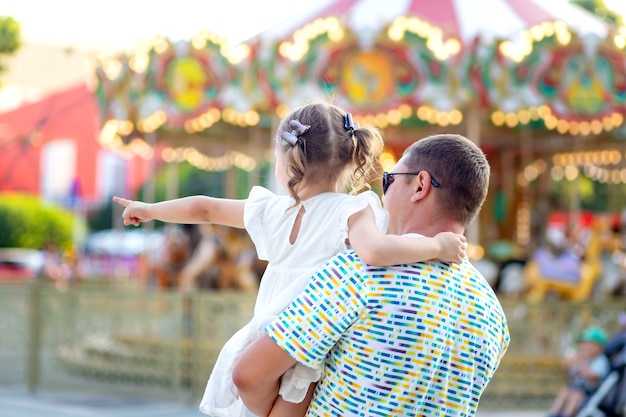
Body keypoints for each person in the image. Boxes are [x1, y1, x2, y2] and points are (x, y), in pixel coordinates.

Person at [112, 103, 467, 417]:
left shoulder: (273, 210)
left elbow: (204, 208)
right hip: (308, 336)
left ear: (288, 160)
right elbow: (374, 252)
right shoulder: (351, 209)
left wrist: (151, 209)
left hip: (273, 329)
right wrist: (436, 247)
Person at [233, 133, 510, 417]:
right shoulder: (492, 312)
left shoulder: (358, 274)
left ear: (420, 186)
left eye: (389, 180)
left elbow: (249, 375)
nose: (382, 194)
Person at [548, 325, 611, 417]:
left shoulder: (601, 360)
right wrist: (568, 365)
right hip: (578, 388)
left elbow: (592, 376)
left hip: (592, 393)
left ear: (599, 347)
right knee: (565, 392)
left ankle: (567, 415)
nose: (585, 347)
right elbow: (572, 376)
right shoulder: (585, 359)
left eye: (590, 344)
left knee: (576, 396)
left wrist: (582, 363)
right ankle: (554, 414)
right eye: (584, 344)